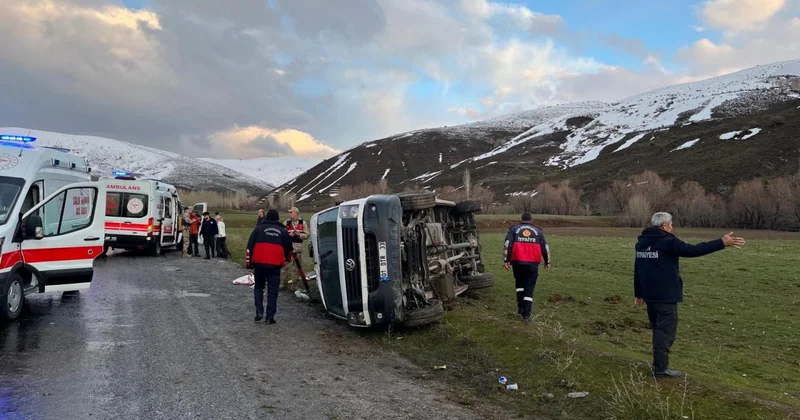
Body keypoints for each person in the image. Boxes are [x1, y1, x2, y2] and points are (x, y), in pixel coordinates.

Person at [634, 212, 745, 378]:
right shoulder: (667, 241)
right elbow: (693, 250)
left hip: (650, 295)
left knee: (659, 331)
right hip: (665, 296)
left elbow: (638, 268)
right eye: (671, 224)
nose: (672, 227)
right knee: (665, 333)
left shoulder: (642, 243)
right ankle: (661, 369)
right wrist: (721, 242)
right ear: (665, 225)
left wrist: (639, 293)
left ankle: (659, 365)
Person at [246, 209, 292, 324]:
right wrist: (286, 260)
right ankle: (269, 317)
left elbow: (249, 246)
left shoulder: (258, 229)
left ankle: (259, 312)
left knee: (258, 287)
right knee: (273, 291)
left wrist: (249, 263)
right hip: (275, 266)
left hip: (259, 264)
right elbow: (289, 249)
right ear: (277, 219)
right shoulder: (283, 231)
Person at [503, 212, 550, 323]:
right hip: (532, 264)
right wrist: (547, 262)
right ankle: (526, 314)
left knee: (519, 284)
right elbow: (545, 247)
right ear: (531, 219)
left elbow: (507, 244)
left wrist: (506, 260)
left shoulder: (513, 229)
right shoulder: (538, 231)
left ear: (521, 219)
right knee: (529, 288)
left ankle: (521, 307)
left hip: (517, 262)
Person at [281, 206, 309, 291]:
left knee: (296, 267)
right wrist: (288, 235)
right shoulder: (287, 222)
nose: (290, 214)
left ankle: (294, 284)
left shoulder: (302, 223)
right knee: (284, 266)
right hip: (287, 247)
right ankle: (283, 283)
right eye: (289, 212)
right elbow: (281, 232)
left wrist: (299, 234)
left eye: (291, 212)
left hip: (297, 248)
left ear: (296, 213)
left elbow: (307, 235)